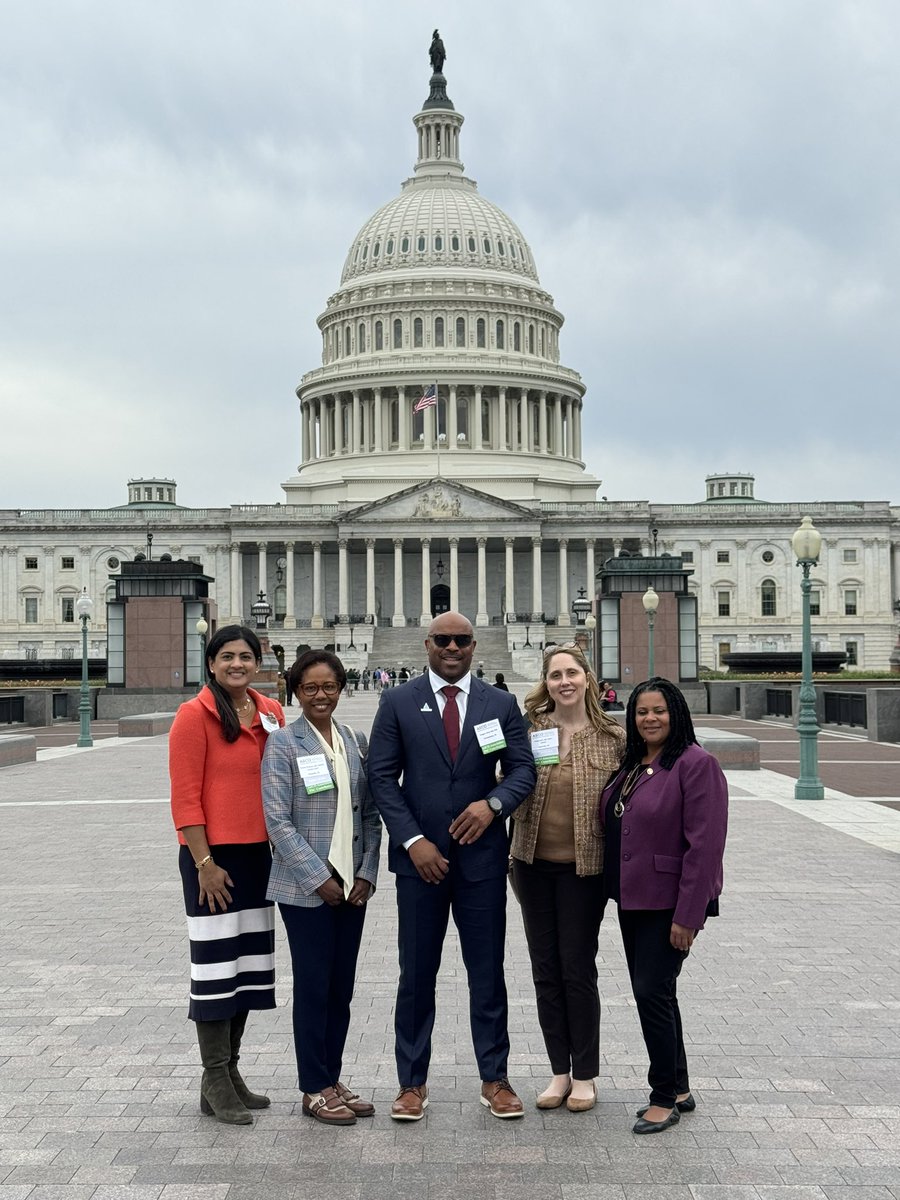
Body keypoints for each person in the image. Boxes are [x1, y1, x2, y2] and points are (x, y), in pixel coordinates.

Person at [368, 610, 537, 1121]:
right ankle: (411, 1082)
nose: (452, 647)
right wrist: (414, 840)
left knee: (487, 972)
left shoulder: (499, 702)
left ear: (474, 645)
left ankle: (495, 1077)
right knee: (416, 974)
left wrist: (494, 805)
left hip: (481, 861)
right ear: (426, 644)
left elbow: (523, 768)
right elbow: (381, 777)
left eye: (462, 640)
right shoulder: (397, 700)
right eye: (443, 639)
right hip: (420, 865)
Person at [600, 677, 728, 1135]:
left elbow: (705, 847)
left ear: (677, 713)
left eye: (659, 710)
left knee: (650, 993)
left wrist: (688, 916)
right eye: (641, 711)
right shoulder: (636, 763)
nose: (650, 719)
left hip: (669, 903)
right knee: (658, 993)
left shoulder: (697, 765)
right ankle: (679, 1087)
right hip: (632, 898)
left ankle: (661, 1096)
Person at [169, 624, 285, 1125]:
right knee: (215, 968)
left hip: (261, 856)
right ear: (212, 663)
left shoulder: (270, 712)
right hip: (213, 859)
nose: (237, 664)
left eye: (246, 657)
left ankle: (228, 1073)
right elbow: (185, 797)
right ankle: (215, 1075)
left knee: (247, 970)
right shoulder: (193, 716)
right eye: (227, 657)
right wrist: (204, 863)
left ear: (257, 663)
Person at [262, 650, 382, 1126]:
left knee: (341, 988)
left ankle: (332, 1077)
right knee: (314, 986)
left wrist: (367, 872)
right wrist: (320, 879)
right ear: (295, 692)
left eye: (328, 687)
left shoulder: (355, 740)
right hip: (306, 890)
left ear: (341, 689)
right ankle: (313, 1086)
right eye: (309, 688)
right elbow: (277, 820)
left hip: (352, 886)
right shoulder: (283, 744)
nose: (320, 696)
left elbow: (371, 814)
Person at [510, 645, 625, 1112]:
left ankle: (586, 1074)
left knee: (577, 969)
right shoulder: (529, 730)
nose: (565, 681)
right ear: (547, 682)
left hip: (585, 869)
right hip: (530, 864)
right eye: (556, 674)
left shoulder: (613, 737)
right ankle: (559, 1071)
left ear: (588, 678)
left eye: (572, 672)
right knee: (545, 971)